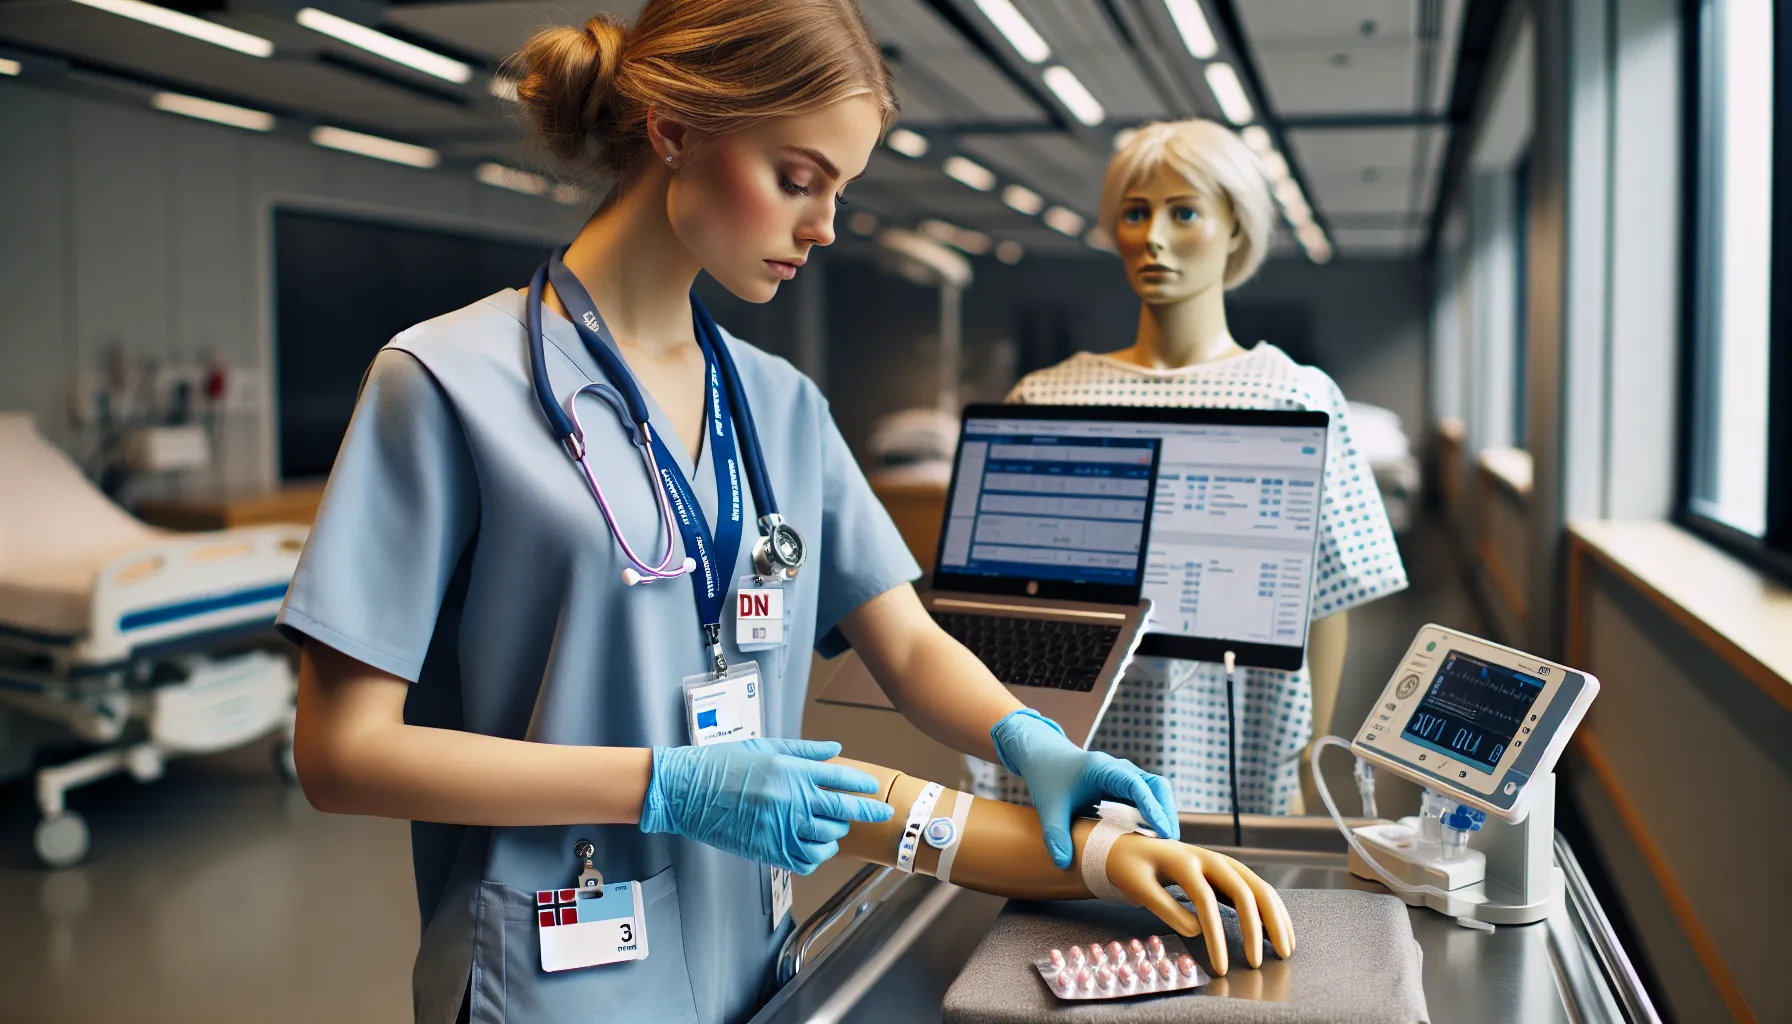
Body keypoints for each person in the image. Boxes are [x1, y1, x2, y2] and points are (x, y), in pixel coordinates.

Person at [281, 3, 1193, 1022]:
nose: (825, 226)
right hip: (547, 972)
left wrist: (1028, 739)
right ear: (674, 130)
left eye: (840, 189)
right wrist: (663, 785)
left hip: (750, 959)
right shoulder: (446, 382)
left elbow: (906, 642)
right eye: (797, 179)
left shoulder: (779, 406)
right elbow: (340, 753)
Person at [970, 119, 1409, 819]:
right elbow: (1003, 605)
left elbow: (1327, 605)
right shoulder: (1047, 395)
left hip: (1234, 736)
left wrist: (1307, 759)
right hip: (1072, 729)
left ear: (1236, 227)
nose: (1155, 238)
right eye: (1136, 214)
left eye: (1185, 213)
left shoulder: (1293, 394)